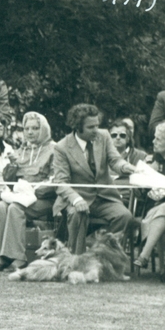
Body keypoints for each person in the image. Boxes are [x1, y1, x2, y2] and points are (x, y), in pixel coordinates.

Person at [52, 104, 135, 255]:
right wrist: (76, 200)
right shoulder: (61, 147)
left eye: (97, 125)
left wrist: (126, 167)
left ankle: (102, 257)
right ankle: (76, 260)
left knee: (124, 216)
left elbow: (115, 160)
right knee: (78, 213)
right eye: (91, 127)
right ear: (78, 127)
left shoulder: (103, 136)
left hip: (104, 198)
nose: (96, 130)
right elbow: (60, 182)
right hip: (77, 199)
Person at [0, 112, 56, 272]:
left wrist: (31, 190)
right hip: (21, 196)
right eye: (27, 128)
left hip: (43, 198)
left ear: (44, 129)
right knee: (0, 206)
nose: (30, 132)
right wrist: (11, 167)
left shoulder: (54, 149)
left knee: (15, 208)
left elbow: (55, 179)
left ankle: (17, 257)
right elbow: (9, 181)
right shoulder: (19, 151)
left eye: (35, 128)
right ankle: (0, 255)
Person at [133, 122, 165, 269]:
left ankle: (144, 255)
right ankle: (163, 269)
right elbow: (138, 192)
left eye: (158, 139)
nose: (153, 142)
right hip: (154, 207)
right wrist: (146, 181)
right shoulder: (149, 161)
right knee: (162, 213)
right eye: (154, 138)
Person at [108, 118, 147, 204]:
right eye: (114, 135)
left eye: (122, 135)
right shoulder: (102, 154)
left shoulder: (141, 156)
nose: (118, 138)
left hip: (127, 196)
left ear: (128, 138)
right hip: (106, 193)